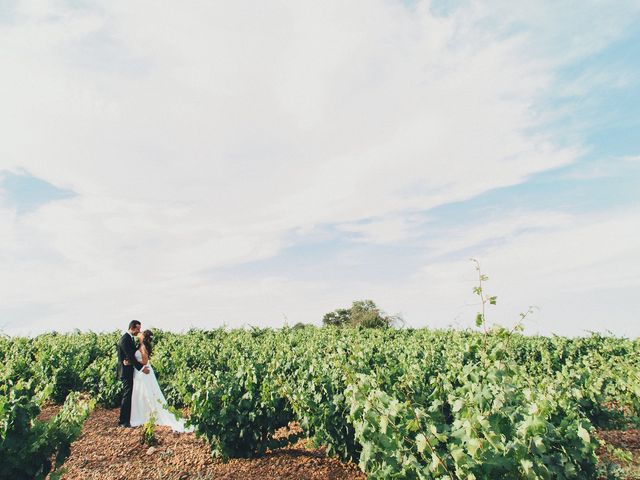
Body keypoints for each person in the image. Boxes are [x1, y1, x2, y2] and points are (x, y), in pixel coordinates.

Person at [129, 329, 193, 432]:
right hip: (140, 372)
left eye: (141, 334)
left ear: (143, 337)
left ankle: (144, 415)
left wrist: (132, 362)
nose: (139, 334)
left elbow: (145, 361)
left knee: (146, 393)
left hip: (143, 372)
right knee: (142, 394)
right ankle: (143, 414)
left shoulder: (143, 347)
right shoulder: (141, 346)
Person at [116, 320, 150, 428]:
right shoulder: (125, 339)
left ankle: (128, 419)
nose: (139, 331)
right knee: (127, 394)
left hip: (129, 369)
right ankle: (123, 422)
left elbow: (132, 355)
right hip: (125, 372)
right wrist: (141, 368)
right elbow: (130, 356)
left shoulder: (130, 338)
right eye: (138, 329)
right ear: (132, 327)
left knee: (130, 394)